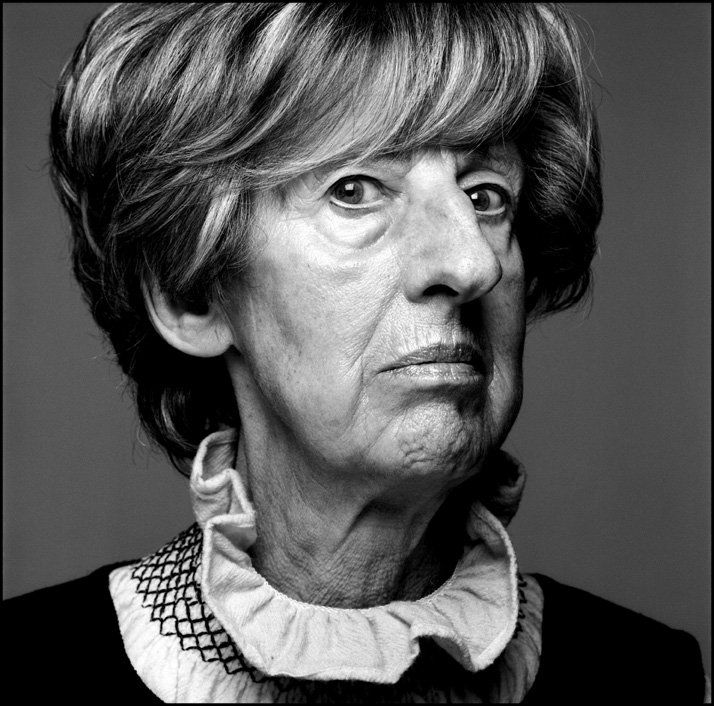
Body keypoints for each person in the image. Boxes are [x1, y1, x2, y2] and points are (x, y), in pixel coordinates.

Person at [4, 3, 707, 702]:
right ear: (192, 293)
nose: (470, 263)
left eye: (486, 196)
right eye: (355, 190)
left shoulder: (651, 680)